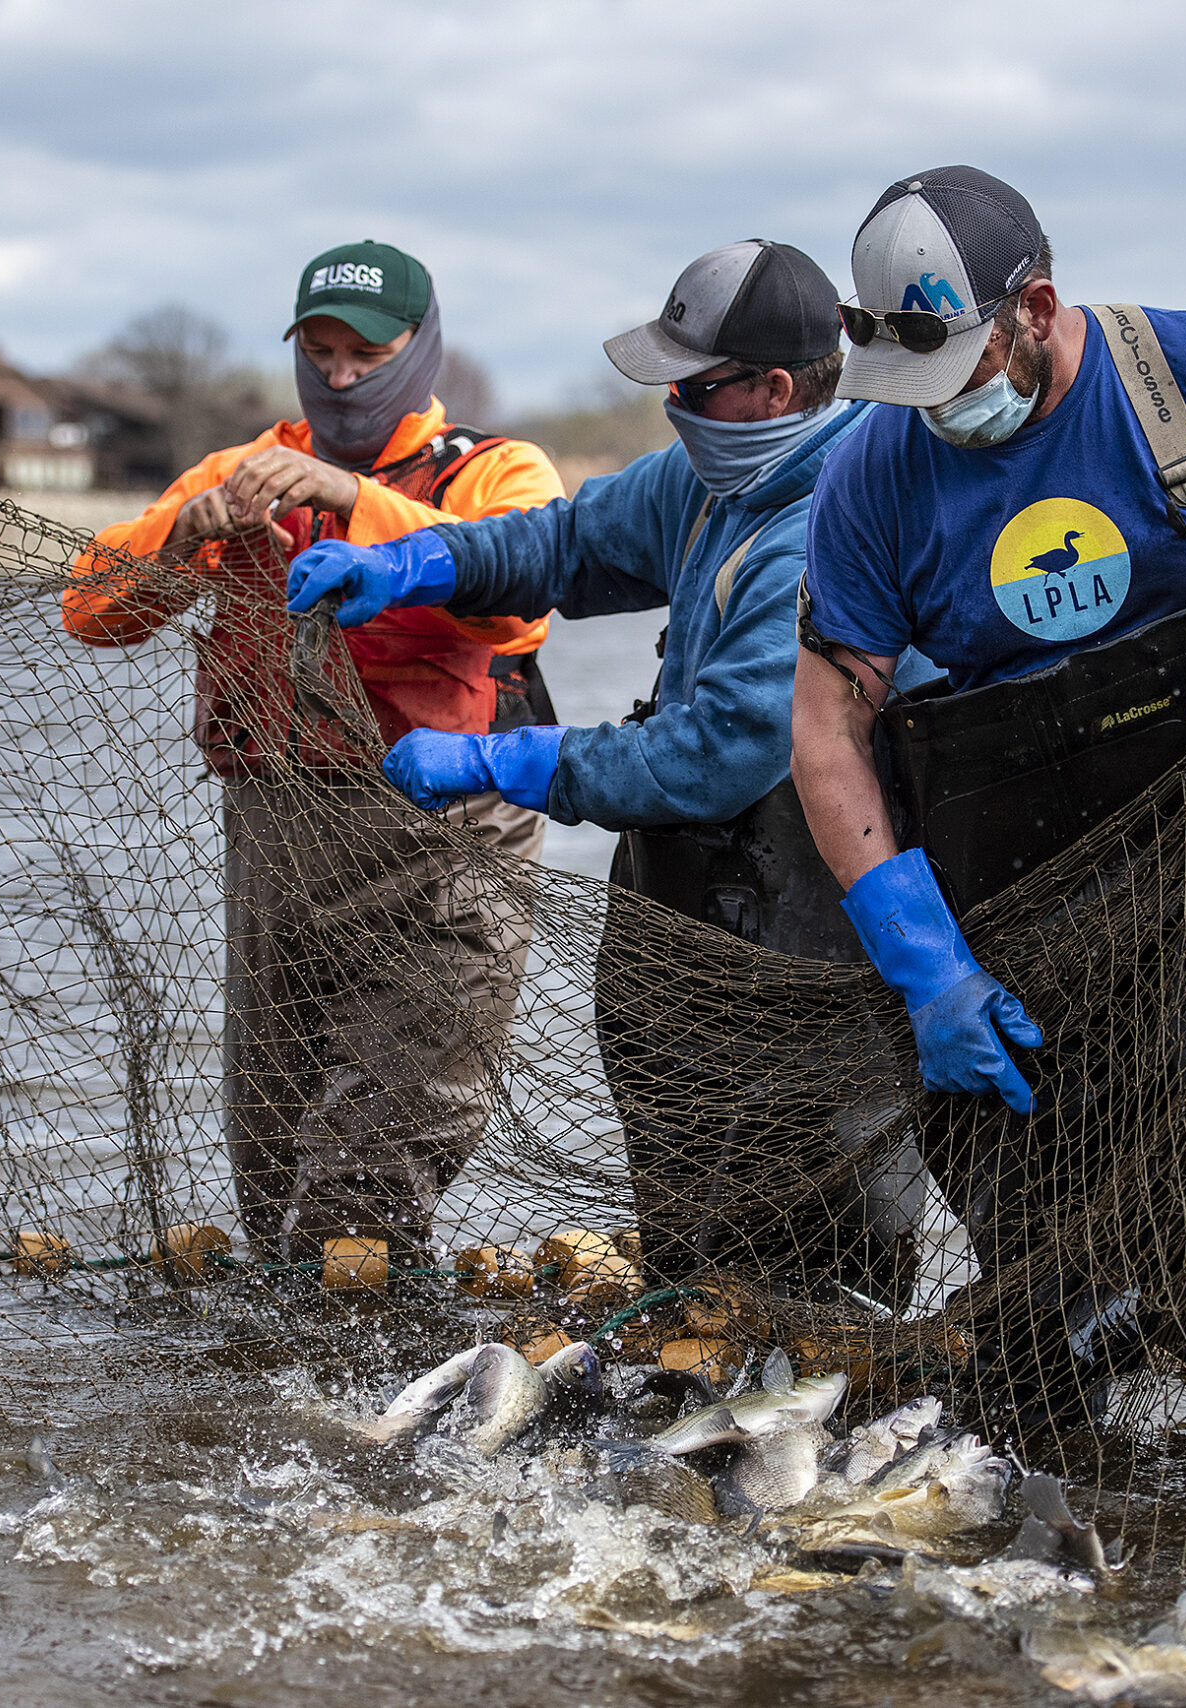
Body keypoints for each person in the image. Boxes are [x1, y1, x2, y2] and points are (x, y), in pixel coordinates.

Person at [790, 168, 1186, 1447]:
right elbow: (827, 734)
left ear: (1032, 306)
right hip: (1021, 885)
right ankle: (1053, 1539)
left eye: (956, 370)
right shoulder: (873, 473)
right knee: (1043, 1246)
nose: (939, 413)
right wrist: (926, 968)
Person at [285, 239, 930, 1304]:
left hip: (813, 925)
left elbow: (717, 755)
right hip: (695, 910)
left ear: (773, 388)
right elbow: (566, 544)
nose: (670, 402)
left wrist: (501, 758)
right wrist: (417, 561)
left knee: (816, 1263)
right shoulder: (717, 473)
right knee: (691, 1247)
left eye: (693, 384)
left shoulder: (830, 522)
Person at [61, 242, 564, 1264]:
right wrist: (178, 536)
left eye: (365, 356)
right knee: (273, 1166)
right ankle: (286, 1387)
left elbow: (520, 604)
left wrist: (346, 498)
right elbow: (90, 610)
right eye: (319, 352)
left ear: (420, 352)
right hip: (279, 848)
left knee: (367, 1184)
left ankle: (374, 1394)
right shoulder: (241, 470)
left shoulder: (496, 469)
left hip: (442, 852)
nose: (338, 377)